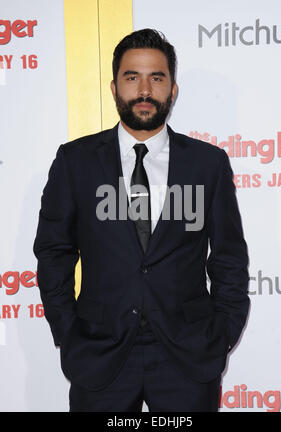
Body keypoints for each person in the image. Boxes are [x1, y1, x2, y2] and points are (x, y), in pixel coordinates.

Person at [33, 28, 250, 412]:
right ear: (114, 88)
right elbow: (54, 253)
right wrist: (68, 332)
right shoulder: (75, 161)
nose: (145, 90)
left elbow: (229, 256)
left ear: (173, 89)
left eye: (157, 77)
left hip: (187, 356)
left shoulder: (208, 164)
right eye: (132, 77)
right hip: (101, 355)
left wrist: (221, 333)